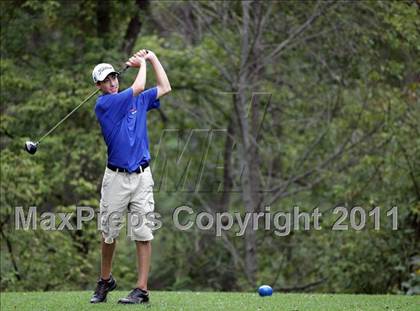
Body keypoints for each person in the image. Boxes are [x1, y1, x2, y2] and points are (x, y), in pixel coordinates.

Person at [89, 49, 171, 304]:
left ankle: (142, 290)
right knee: (108, 233)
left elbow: (165, 86)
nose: (112, 82)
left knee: (143, 233)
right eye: (106, 80)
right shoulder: (105, 104)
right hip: (115, 178)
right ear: (99, 86)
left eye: (114, 77)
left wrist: (153, 57)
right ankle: (105, 281)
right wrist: (142, 63)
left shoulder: (138, 99)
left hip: (142, 177)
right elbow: (139, 84)